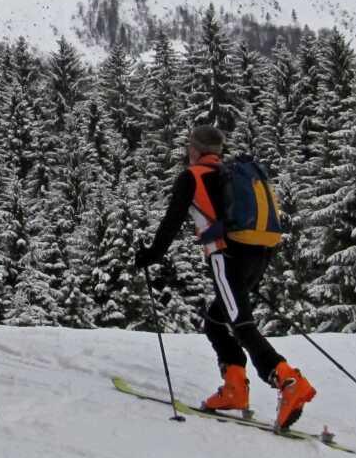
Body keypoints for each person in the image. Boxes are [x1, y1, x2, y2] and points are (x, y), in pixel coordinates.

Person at [135, 125, 316, 430]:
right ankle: (235, 388)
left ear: (194, 149)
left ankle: (288, 381)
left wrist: (149, 255)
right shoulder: (232, 175)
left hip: (226, 256)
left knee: (241, 324)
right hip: (259, 254)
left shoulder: (192, 177)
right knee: (216, 322)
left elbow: (171, 223)